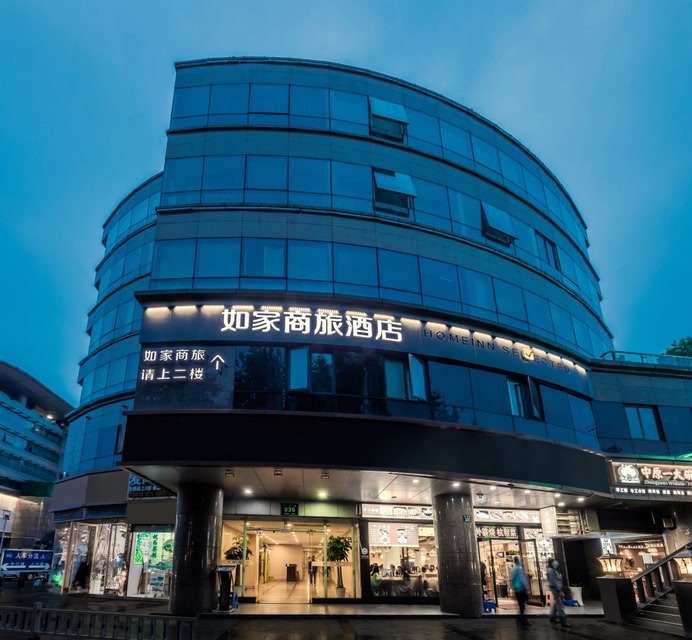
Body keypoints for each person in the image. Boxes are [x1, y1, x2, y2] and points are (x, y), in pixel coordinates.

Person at [546, 558, 571, 627]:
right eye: (554, 562)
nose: (556, 563)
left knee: (556, 603)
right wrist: (559, 590)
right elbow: (554, 581)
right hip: (556, 589)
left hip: (556, 588)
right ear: (551, 563)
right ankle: (563, 621)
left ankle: (553, 617)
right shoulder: (550, 570)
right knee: (560, 604)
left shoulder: (552, 570)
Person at [510, 555, 530, 626]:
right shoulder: (519, 568)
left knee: (521, 605)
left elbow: (511, 579)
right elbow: (522, 579)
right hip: (521, 588)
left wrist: (513, 587)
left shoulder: (513, 569)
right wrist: (527, 587)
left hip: (517, 589)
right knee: (522, 605)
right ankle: (521, 619)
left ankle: (521, 618)